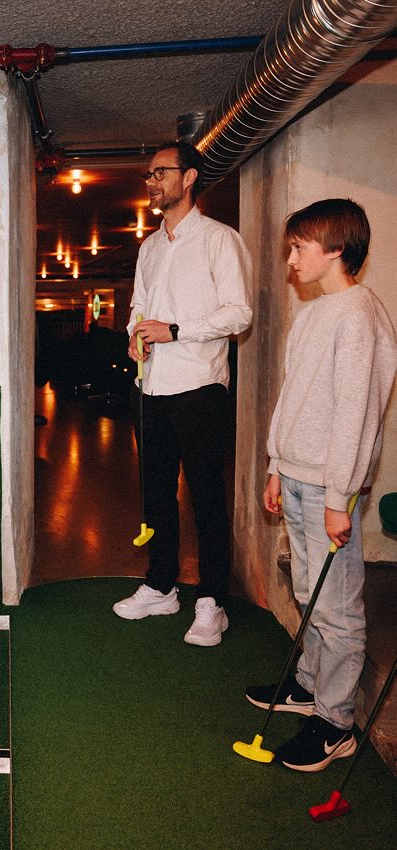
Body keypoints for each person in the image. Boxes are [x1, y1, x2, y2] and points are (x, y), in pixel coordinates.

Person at [245, 198, 397, 771]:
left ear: (336, 249)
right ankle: (310, 686)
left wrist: (340, 497)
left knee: (337, 608)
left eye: (299, 248)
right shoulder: (313, 314)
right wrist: (275, 464)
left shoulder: (359, 315)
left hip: (329, 489)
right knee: (310, 593)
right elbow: (294, 398)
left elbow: (357, 415)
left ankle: (336, 724)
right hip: (297, 476)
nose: (291, 260)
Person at [112, 141, 253, 646]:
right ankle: (161, 586)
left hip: (199, 387)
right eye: (149, 175)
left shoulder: (220, 240)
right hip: (149, 385)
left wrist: (175, 330)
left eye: (161, 173)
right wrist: (134, 332)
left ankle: (212, 601)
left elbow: (239, 313)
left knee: (206, 495)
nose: (151, 182)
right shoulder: (150, 247)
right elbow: (139, 305)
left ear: (189, 177)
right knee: (156, 493)